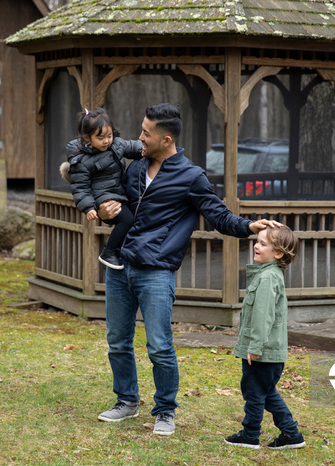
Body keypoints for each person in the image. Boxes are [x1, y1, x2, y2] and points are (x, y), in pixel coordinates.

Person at [96, 103, 281, 436]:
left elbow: (219, 216)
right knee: (117, 342)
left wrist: (250, 225)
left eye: (145, 133)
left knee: (159, 346)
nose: (139, 137)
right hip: (119, 265)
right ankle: (126, 402)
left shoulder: (190, 176)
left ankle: (165, 411)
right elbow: (119, 207)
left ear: (166, 139)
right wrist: (106, 210)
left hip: (156, 271)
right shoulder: (135, 167)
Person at [224, 225, 305, 450]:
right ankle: (291, 434)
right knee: (264, 392)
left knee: (255, 392)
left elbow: (263, 316)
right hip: (268, 351)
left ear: (278, 253)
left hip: (263, 352)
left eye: (262, 243)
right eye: (256, 241)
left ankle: (250, 435)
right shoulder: (266, 274)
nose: (256, 246)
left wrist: (255, 347)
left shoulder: (268, 278)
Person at [63, 107, 143, 269]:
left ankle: (120, 250)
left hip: (119, 192)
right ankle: (109, 251)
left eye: (109, 135)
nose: (106, 141)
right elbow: (81, 188)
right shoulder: (82, 161)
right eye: (100, 138)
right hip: (103, 197)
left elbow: (132, 146)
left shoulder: (116, 144)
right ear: (87, 138)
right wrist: (89, 208)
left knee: (132, 217)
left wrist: (146, 148)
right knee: (127, 220)